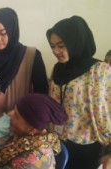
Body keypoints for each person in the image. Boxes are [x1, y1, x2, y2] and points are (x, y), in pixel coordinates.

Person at [46, 15, 111, 169]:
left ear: (76, 42)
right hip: (57, 142)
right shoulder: (57, 69)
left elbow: (107, 111)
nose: (56, 51)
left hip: (85, 146)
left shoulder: (99, 71)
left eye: (61, 45)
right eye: (53, 46)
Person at [0, 7, 49, 111]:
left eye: (3, 33)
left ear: (12, 31)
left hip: (21, 123)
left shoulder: (31, 56)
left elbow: (41, 95)